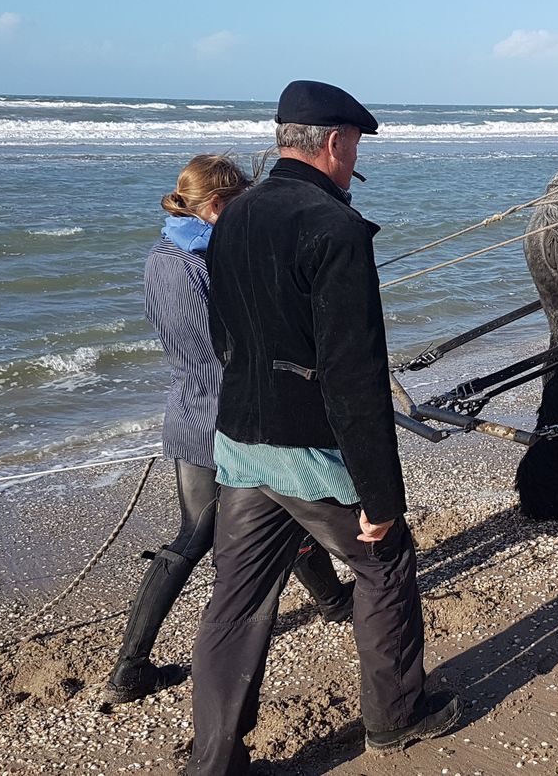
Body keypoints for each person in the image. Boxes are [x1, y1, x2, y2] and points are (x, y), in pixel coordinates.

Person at [187, 81, 459, 773]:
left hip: (240, 440)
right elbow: (354, 375)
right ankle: (397, 718)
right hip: (306, 447)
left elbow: (225, 338)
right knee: (385, 559)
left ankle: (213, 759)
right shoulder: (334, 227)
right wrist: (381, 497)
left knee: (237, 598)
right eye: (356, 148)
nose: (354, 161)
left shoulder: (231, 214)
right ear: (335, 143)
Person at [103, 154, 354, 705]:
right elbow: (225, 349)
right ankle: (130, 668)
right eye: (241, 206)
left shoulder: (165, 255)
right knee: (227, 526)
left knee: (250, 520)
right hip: (225, 419)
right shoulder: (202, 264)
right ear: (217, 207)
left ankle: (333, 603)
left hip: (190, 411)